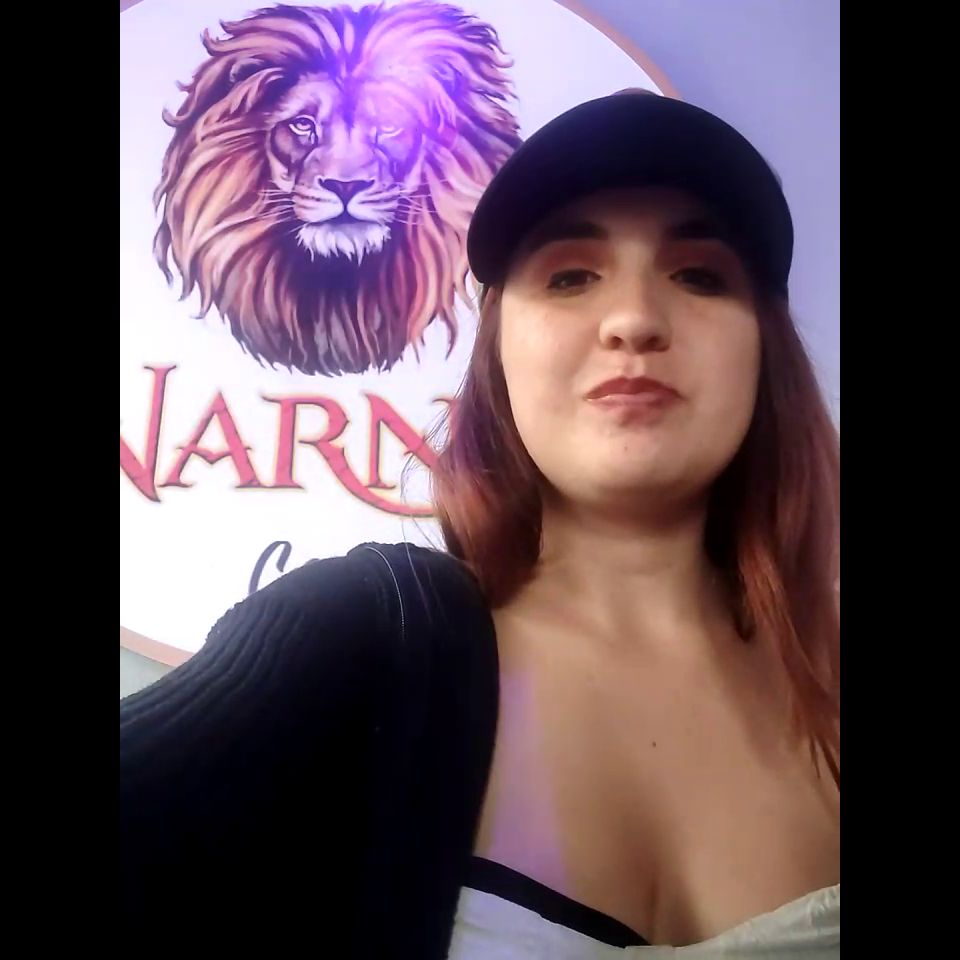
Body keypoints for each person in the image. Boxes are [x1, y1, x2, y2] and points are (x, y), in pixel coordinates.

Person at [120, 91, 840, 958]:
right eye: (569, 276)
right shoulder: (362, 636)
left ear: (765, 350)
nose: (634, 320)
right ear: (498, 353)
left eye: (700, 276)